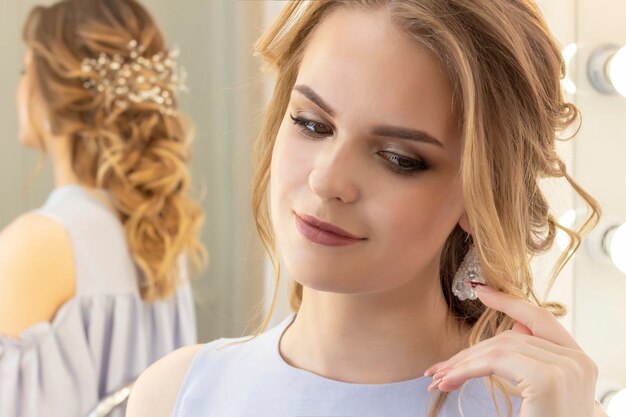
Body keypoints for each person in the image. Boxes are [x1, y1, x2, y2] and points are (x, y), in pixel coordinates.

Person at [127, 1, 607, 416]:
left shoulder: (541, 410)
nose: (327, 180)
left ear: (482, 191)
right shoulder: (175, 396)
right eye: (312, 124)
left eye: (399, 158)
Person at [0, 0, 205, 416]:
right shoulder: (163, 234)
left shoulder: (37, 243)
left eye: (26, 73)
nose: (19, 89)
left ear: (53, 96)